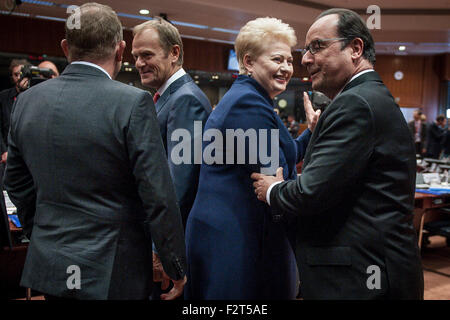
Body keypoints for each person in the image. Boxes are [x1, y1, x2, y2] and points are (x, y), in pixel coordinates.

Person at [4, 2, 186, 300]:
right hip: (114, 269)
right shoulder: (133, 103)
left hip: (52, 262)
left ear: (65, 48)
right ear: (120, 49)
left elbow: (15, 182)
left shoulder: (26, 102)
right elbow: (158, 195)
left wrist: (43, 230)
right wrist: (174, 263)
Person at [252, 8, 424, 299]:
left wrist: (273, 189)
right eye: (306, 50)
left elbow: (310, 193)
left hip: (360, 280)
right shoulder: (366, 98)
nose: (305, 59)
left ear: (355, 48)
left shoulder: (355, 103)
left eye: (317, 47)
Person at [184, 17, 319, 299]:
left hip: (233, 231)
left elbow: (287, 155)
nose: (286, 68)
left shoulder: (253, 98)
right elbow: (275, 175)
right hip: (234, 238)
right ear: (248, 61)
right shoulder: (247, 102)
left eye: (289, 60)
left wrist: (313, 132)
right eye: (277, 59)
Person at [132, 18, 211, 299]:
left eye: (147, 55)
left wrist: (161, 251)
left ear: (174, 53)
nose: (139, 63)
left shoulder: (186, 99)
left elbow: (179, 185)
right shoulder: (166, 96)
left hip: (172, 245)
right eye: (136, 56)